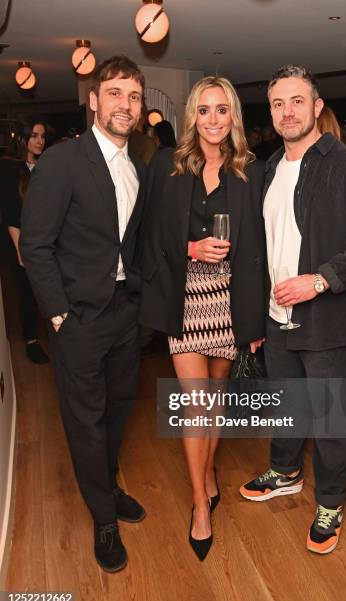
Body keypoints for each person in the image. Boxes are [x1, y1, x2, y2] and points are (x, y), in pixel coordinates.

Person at [239, 64, 346, 555]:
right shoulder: (266, 170)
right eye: (278, 103)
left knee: (329, 419)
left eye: (297, 101)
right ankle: (285, 472)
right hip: (276, 316)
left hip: (328, 317)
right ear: (271, 112)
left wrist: (320, 279)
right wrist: (258, 315)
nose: (288, 112)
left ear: (317, 107)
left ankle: (330, 501)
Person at [20, 56, 147, 573]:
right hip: (78, 319)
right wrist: (58, 317)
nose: (126, 104)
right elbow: (36, 243)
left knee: (118, 409)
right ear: (93, 101)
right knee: (86, 422)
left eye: (134, 96)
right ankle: (102, 517)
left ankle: (107, 486)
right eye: (115, 93)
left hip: (124, 315)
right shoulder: (62, 161)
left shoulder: (135, 165)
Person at [140, 76, 266, 560]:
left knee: (215, 404)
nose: (213, 120)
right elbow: (149, 237)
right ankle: (199, 505)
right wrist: (190, 247)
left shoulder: (251, 173)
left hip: (232, 301)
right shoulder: (168, 169)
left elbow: (259, 248)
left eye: (222, 110)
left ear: (233, 116)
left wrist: (255, 323)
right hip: (186, 296)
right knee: (196, 408)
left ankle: (209, 471)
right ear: (192, 115)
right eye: (204, 110)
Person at [1, 119, 49, 363]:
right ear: (22, 139)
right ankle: (31, 340)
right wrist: (20, 250)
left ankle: (52, 333)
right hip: (16, 240)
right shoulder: (9, 168)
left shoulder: (44, 166)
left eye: (42, 136)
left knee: (45, 288)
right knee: (27, 290)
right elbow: (11, 213)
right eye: (34, 136)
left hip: (41, 240)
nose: (40, 141)